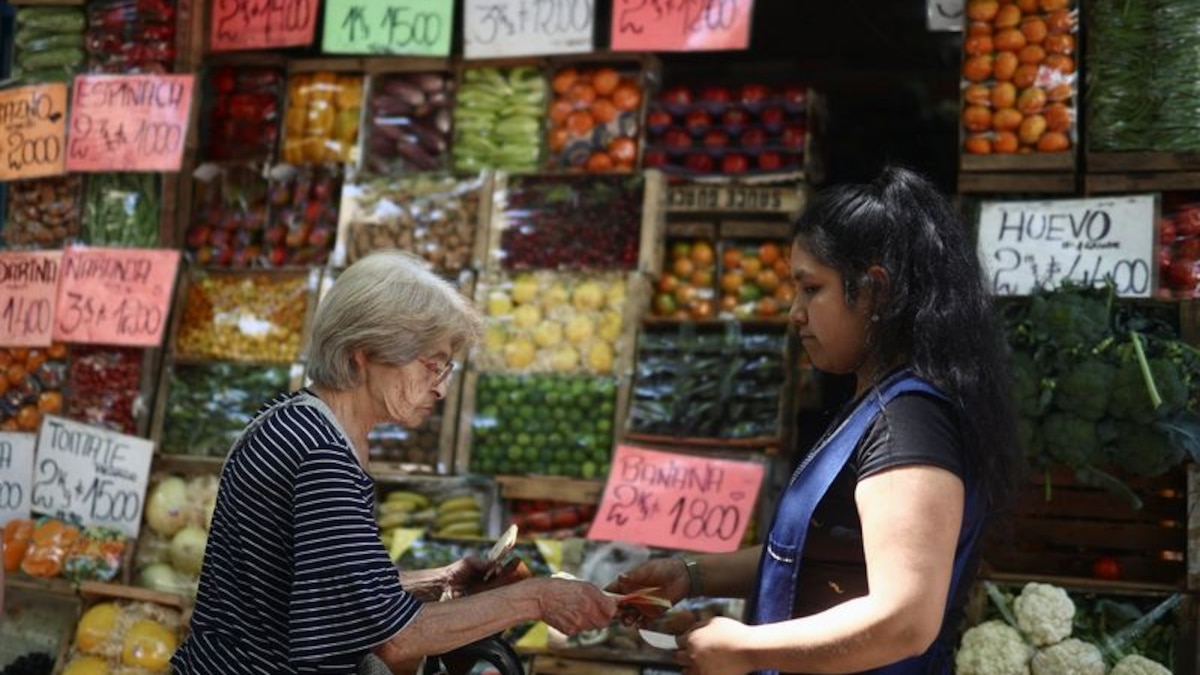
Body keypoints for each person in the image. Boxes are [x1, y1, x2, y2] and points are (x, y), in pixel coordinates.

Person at [608, 166, 1021, 675]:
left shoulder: (911, 423)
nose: (794, 312)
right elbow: (822, 551)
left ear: (875, 291)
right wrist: (690, 575)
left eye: (811, 289)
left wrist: (747, 648)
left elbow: (907, 619)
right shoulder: (882, 401)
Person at [173, 250, 617, 674]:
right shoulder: (321, 454)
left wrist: (437, 580)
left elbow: (321, 585)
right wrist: (538, 599)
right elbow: (395, 639)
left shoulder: (293, 419)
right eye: (431, 365)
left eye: (446, 369)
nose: (441, 389)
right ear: (364, 353)